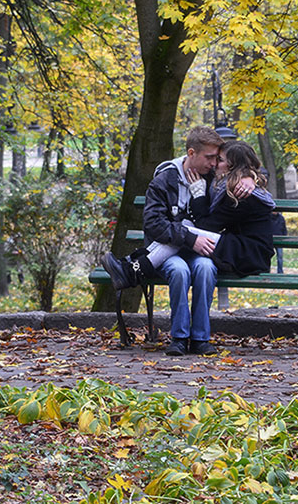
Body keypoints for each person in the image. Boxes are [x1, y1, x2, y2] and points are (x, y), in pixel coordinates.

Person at [102, 126, 253, 356]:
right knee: (179, 270)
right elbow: (153, 224)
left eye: (216, 158)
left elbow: (246, 166)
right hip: (169, 253)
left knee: (204, 268)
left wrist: (249, 178)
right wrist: (190, 239)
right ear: (191, 153)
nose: (214, 163)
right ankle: (179, 338)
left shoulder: (214, 176)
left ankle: (201, 339)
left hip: (200, 253)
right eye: (209, 157)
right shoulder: (164, 180)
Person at [187, 139, 276, 278]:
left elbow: (205, 226)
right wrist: (249, 176)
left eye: (220, 160)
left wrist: (198, 195)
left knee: (182, 232)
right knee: (181, 231)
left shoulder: (242, 196)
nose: (214, 164)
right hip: (237, 247)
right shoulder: (223, 183)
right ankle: (145, 263)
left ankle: (144, 264)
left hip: (248, 255)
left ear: (233, 166)